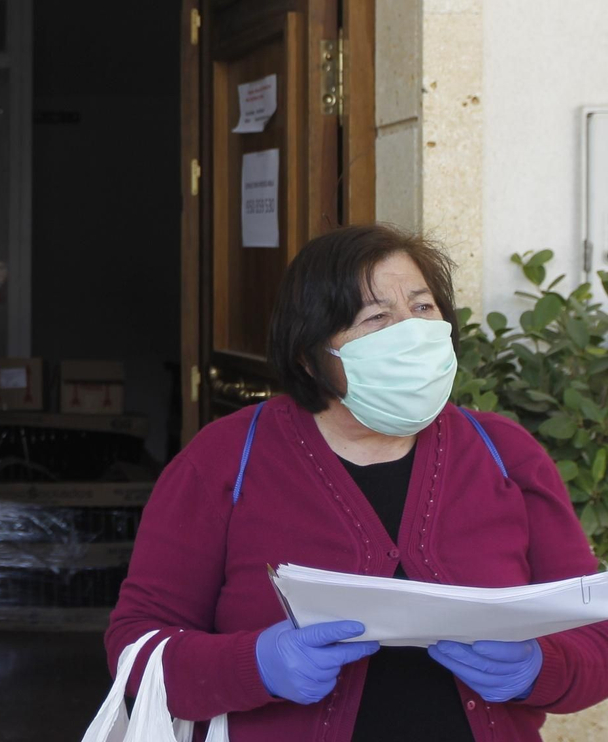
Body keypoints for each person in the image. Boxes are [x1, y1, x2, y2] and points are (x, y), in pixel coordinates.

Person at [106, 224, 608, 741]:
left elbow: (595, 637)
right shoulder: (223, 461)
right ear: (310, 353)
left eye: (422, 308)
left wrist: (540, 669)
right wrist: (253, 664)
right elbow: (135, 648)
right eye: (376, 318)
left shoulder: (506, 453)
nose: (410, 332)